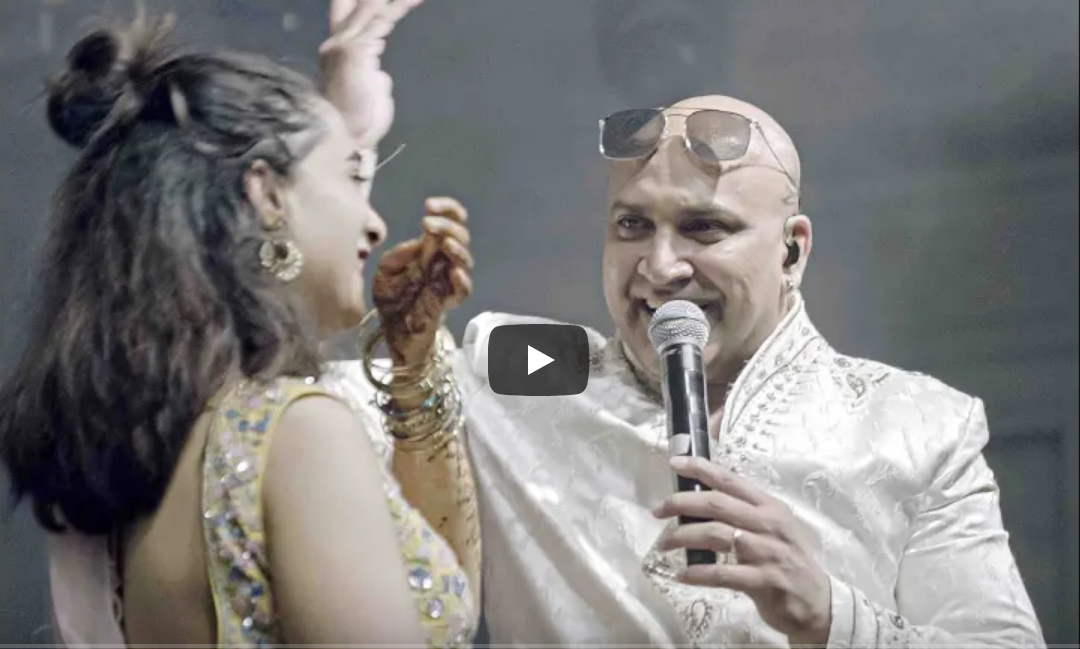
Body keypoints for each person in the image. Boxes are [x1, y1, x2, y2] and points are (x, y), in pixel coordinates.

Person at [339, 94, 1046, 647]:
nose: (660, 267)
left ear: (793, 251)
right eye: (632, 225)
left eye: (704, 227)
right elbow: (351, 400)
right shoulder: (550, 366)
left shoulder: (915, 423)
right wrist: (409, 342)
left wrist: (831, 615)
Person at [0, 0, 480, 646]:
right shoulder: (296, 433)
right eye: (351, 173)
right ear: (267, 193)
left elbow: (426, 596)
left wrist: (414, 363)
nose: (374, 223)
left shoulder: (144, 472)